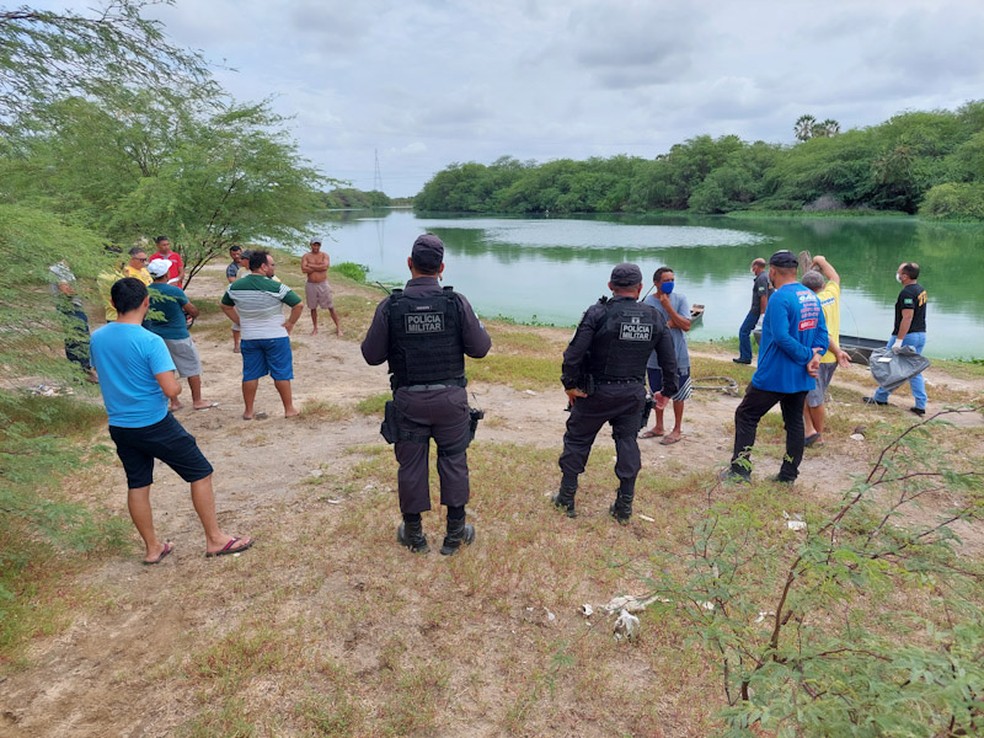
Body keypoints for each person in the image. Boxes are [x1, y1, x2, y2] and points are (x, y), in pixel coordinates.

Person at [89, 277, 252, 563]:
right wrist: (175, 385)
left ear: (113, 304)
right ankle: (215, 539)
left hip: (120, 425)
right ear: (146, 303)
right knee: (200, 471)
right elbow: (170, 389)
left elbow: (100, 373)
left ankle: (153, 548)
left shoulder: (98, 337)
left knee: (138, 483)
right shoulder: (150, 341)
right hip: (153, 422)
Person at [361, 234, 491, 555]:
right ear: (442, 268)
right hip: (450, 399)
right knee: (454, 461)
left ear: (409, 264)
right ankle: (455, 534)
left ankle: (415, 535)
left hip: (409, 400)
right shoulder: (455, 303)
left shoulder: (391, 306)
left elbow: (371, 355)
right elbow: (481, 348)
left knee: (410, 465)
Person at [554, 263, 678, 524]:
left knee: (577, 440)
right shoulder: (654, 317)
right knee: (627, 442)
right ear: (640, 288)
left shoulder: (597, 313)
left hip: (595, 393)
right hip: (631, 393)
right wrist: (667, 392)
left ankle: (567, 499)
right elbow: (670, 361)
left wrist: (570, 384)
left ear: (610, 286)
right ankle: (624, 506)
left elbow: (573, 354)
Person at [725, 250, 828, 485]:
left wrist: (806, 356)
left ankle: (740, 471)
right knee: (794, 422)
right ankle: (788, 475)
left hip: (775, 373)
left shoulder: (779, 298)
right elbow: (822, 335)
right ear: (795, 271)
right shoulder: (811, 296)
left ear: (772, 271)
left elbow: (781, 337)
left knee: (746, 415)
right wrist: (815, 356)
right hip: (801, 376)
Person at [221, 249, 303, 420]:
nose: (274, 268)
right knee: (281, 373)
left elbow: (225, 305)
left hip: (250, 336)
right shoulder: (276, 286)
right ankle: (289, 409)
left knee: (250, 373)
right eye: (272, 265)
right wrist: (290, 323)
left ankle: (248, 411)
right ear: (263, 267)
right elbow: (298, 305)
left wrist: (240, 321)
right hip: (275, 335)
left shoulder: (234, 287)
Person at [144, 259, 217, 411]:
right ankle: (197, 400)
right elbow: (191, 310)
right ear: (166, 274)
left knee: (165, 369)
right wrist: (194, 314)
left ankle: (174, 402)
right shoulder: (174, 291)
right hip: (177, 334)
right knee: (192, 367)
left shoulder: (147, 291)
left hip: (156, 335)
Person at [863, 262, 928, 415]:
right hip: (920, 334)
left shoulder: (906, 293)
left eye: (899, 272)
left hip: (907, 336)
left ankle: (881, 397)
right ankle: (920, 404)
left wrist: (899, 340)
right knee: (914, 370)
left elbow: (907, 317)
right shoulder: (921, 290)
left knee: (888, 366)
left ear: (905, 276)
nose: (897, 274)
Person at [801, 256, 851, 447]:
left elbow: (824, 335)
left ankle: (818, 436)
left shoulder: (812, 303)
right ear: (822, 284)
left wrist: (838, 351)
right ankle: (810, 430)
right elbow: (835, 276)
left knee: (815, 399)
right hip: (831, 359)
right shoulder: (831, 293)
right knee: (812, 395)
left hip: (820, 356)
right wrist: (820, 260)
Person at [640, 266, 692, 445]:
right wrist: (668, 324)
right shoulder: (647, 301)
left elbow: (686, 325)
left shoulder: (680, 299)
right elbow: (649, 327)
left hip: (678, 355)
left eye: (672, 280)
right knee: (656, 391)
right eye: (666, 281)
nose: (670, 283)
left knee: (678, 394)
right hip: (654, 357)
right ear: (656, 283)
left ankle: (677, 429)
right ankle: (659, 426)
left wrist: (668, 307)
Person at [48, 260, 97, 381]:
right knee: (78, 339)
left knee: (78, 338)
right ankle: (82, 372)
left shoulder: (66, 269)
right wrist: (83, 291)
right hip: (69, 307)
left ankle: (81, 372)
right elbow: (65, 290)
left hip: (73, 307)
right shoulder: (59, 269)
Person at [734, 257, 771, 364]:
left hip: (757, 311)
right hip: (758, 310)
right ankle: (747, 356)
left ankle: (746, 357)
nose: (752, 269)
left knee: (743, 331)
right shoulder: (766, 276)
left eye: (752, 266)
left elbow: (763, 297)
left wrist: (762, 314)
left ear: (756, 266)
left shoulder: (761, 278)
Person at [301, 238, 342, 336]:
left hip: (323, 284)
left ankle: (338, 328)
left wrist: (311, 266)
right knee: (312, 307)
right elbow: (303, 269)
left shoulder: (324, 255)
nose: (316, 247)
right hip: (311, 284)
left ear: (320, 246)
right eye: (314, 245)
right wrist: (317, 267)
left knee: (330, 306)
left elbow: (325, 267)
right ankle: (315, 328)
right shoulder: (306, 256)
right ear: (310, 245)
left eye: (318, 245)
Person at [226, 245, 244, 353]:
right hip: (238, 295)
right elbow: (232, 282)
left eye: (238, 253)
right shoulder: (231, 268)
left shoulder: (250, 264)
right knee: (238, 320)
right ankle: (236, 344)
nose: (236, 256)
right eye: (234, 254)